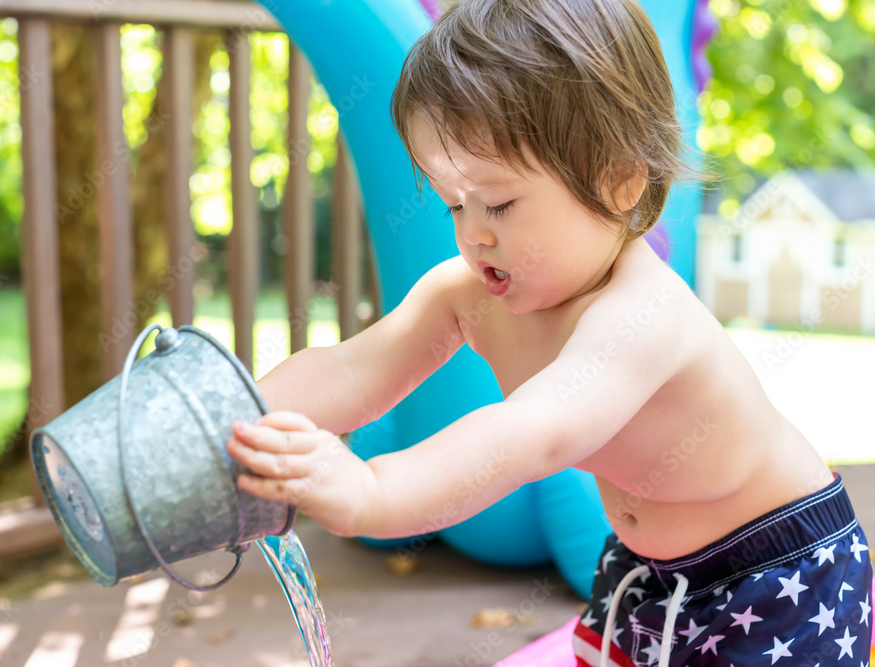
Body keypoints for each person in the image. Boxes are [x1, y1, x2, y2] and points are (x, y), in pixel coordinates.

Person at [225, 0, 873, 664]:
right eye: (454, 202)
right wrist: (234, 420)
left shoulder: (642, 316)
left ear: (618, 181)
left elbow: (530, 432)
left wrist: (372, 492)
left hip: (780, 577)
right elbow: (355, 370)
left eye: (499, 202)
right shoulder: (465, 293)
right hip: (648, 568)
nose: (474, 232)